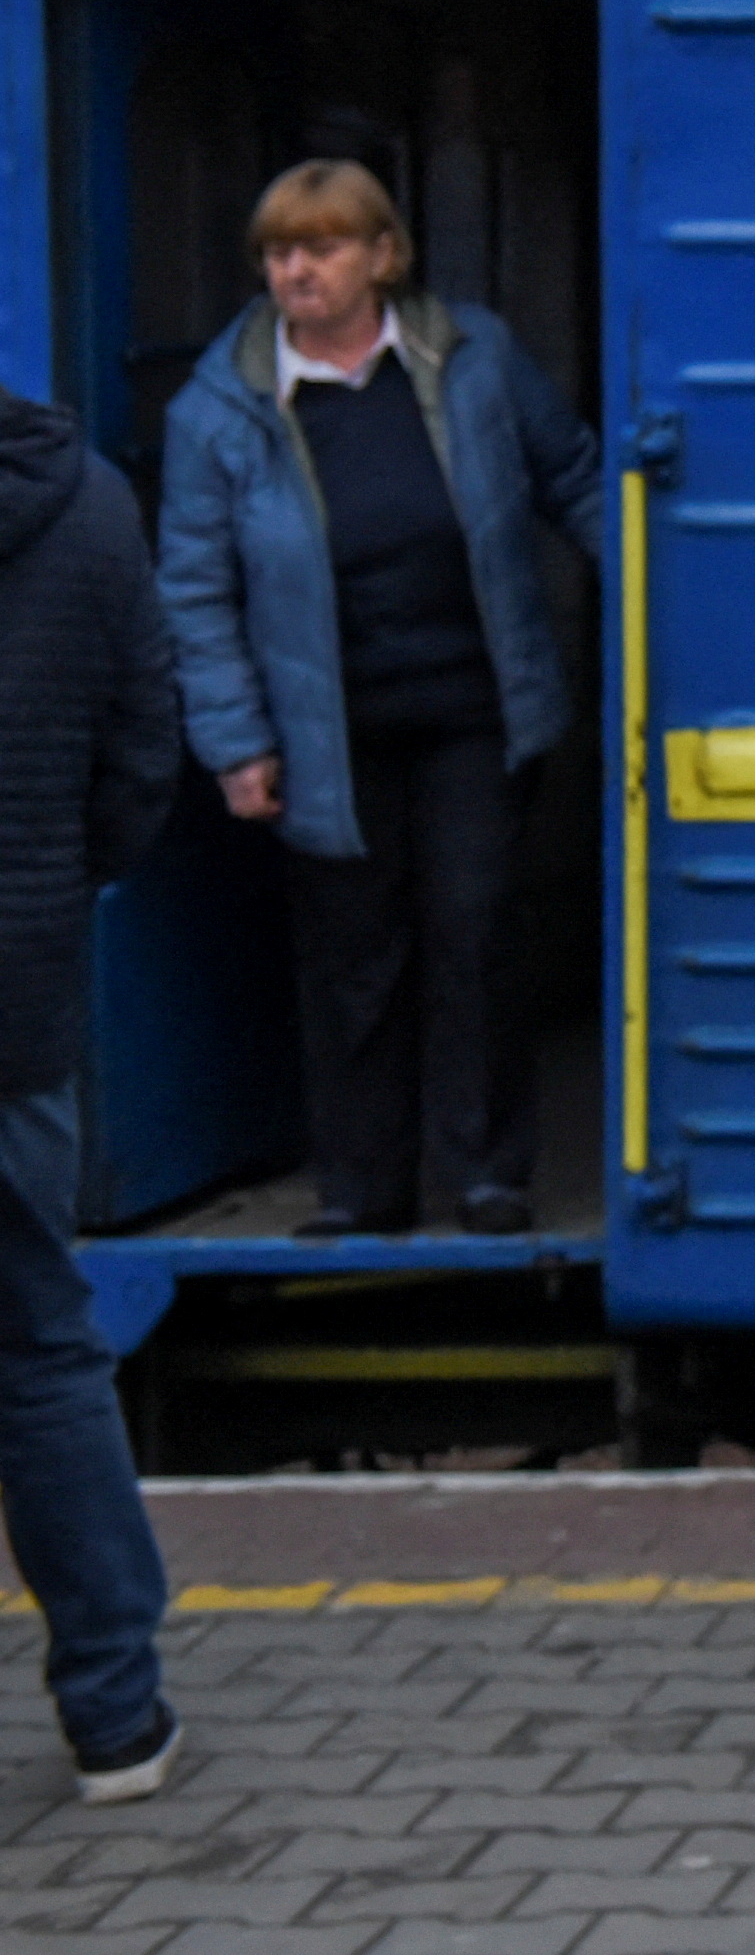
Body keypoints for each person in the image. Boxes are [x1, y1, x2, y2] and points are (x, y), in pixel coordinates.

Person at [157, 161, 601, 1239]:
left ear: (381, 256)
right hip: (326, 730)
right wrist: (235, 743)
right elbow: (195, 588)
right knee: (355, 960)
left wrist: (668, 604)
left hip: (473, 709)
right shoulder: (219, 408)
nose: (294, 269)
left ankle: (489, 1175)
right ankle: (363, 1189)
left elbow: (576, 479)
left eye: (320, 246)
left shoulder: (475, 357)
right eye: (277, 251)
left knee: (476, 929)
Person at [0, 381, 185, 1802]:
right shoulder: (90, 500)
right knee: (42, 1347)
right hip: (16, 995)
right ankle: (118, 1714)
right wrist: (57, 891)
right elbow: (140, 751)